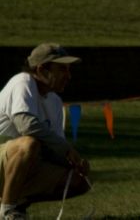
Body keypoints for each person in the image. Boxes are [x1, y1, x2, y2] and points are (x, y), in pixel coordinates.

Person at [0, 44, 90, 220]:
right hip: (6, 155)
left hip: (20, 164)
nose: (68, 76)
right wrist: (66, 149)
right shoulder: (23, 81)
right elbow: (27, 125)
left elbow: (55, 147)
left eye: (69, 70)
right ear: (42, 69)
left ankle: (16, 205)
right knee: (28, 144)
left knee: (79, 181)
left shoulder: (55, 101)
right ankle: (7, 211)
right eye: (62, 69)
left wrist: (75, 164)